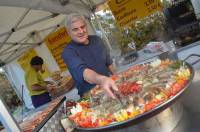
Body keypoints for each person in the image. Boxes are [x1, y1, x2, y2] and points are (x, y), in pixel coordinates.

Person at [62, 13, 117, 98]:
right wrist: (102, 80)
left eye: (82, 27)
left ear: (86, 26)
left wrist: (117, 77)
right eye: (75, 29)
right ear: (69, 32)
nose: (81, 31)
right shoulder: (68, 52)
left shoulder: (97, 40)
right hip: (91, 96)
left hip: (109, 85)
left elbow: (108, 62)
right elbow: (85, 73)